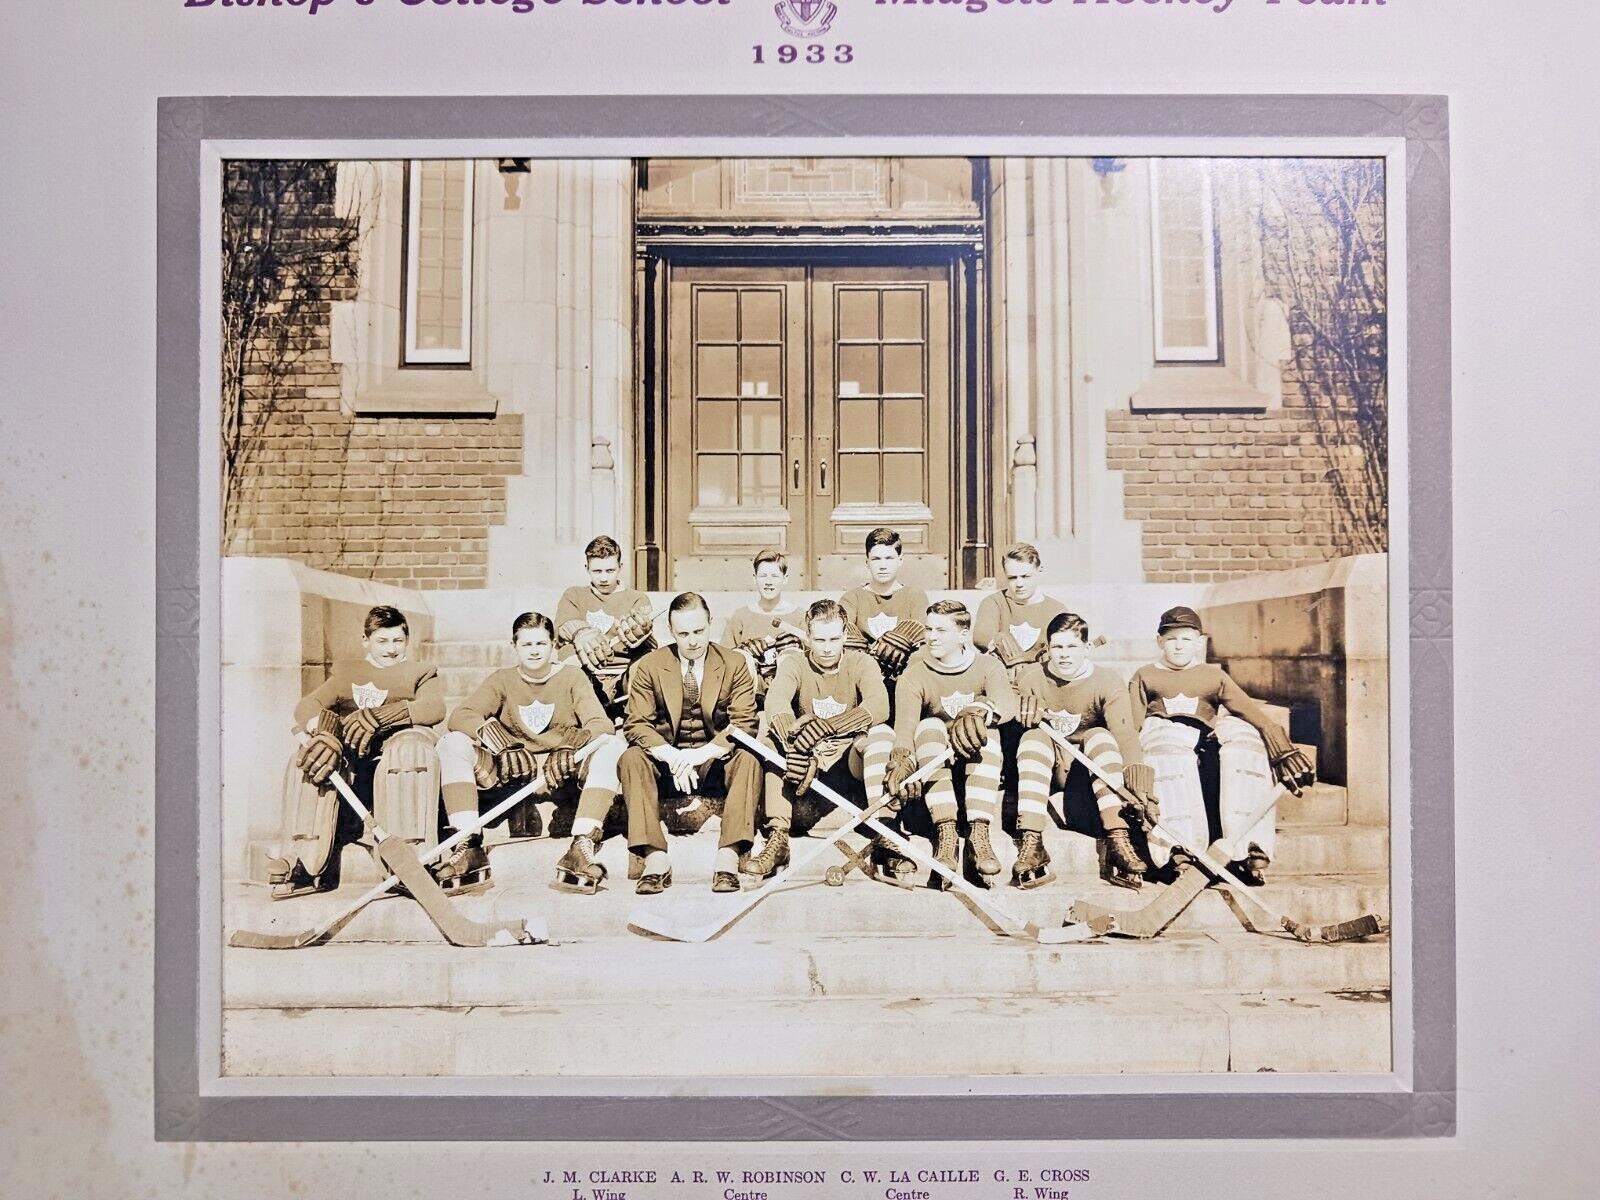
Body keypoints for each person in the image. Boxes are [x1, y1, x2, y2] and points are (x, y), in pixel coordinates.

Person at [436, 612, 626, 895]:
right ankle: (468, 844)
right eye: (527, 644)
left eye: (541, 643)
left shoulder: (572, 677)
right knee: (451, 743)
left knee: (613, 745)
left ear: (553, 645)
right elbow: (461, 715)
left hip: (560, 772)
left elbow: (601, 724)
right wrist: (500, 742)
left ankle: (581, 845)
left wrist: (570, 744)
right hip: (514, 772)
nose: (535, 651)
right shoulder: (502, 679)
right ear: (514, 646)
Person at [268, 605, 447, 899]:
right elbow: (306, 706)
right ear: (366, 641)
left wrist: (382, 716)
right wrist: (325, 733)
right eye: (382, 641)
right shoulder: (348, 672)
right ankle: (305, 859)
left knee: (409, 751)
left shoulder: (420, 672)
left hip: (397, 762)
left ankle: (411, 858)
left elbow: (434, 708)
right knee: (314, 755)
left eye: (398, 640)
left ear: (407, 640)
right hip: (354, 769)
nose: (391, 649)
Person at [1129, 606, 1316, 886]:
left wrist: (1279, 743)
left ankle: (1249, 848)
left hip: (1204, 742)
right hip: (1167, 741)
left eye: (1186, 639)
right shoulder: (1145, 675)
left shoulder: (1212, 676)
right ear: (1159, 642)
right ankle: (1177, 850)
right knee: (1167, 750)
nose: (1179, 646)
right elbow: (1131, 724)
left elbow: (1248, 710)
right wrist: (1130, 760)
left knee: (1245, 744)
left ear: (1199, 642)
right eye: (1171, 639)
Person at [619, 593, 763, 894]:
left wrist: (701, 756)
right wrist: (672, 756)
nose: (693, 641)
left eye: (699, 631)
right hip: (668, 767)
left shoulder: (734, 663)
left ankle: (728, 857)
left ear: (711, 623)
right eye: (683, 634)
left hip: (714, 765)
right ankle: (655, 858)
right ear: (670, 631)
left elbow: (745, 723)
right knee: (632, 758)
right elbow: (636, 723)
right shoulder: (650, 665)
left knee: (749, 759)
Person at [1011, 612, 1160, 890]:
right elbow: (1006, 708)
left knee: (1099, 735)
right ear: (1048, 648)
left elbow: (1125, 735)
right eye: (1057, 646)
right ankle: (1032, 841)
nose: (1064, 654)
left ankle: (1117, 838)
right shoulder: (1031, 677)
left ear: (1087, 647)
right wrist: (1016, 707)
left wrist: (1140, 785)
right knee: (1033, 736)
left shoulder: (1107, 680)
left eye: (1072, 646)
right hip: (1049, 771)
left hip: (1086, 783)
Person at [754, 598, 897, 882]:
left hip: (848, 764)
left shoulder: (861, 661)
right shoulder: (795, 662)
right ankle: (778, 836)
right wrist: (795, 745)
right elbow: (776, 702)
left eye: (834, 639)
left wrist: (828, 727)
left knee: (882, 734)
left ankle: (886, 832)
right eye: (819, 640)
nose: (828, 647)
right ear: (807, 637)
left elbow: (879, 705)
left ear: (845, 635)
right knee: (769, 739)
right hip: (808, 766)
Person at [885, 599, 1019, 888]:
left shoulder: (987, 665)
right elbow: (905, 727)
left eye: (941, 630)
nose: (931, 637)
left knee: (987, 730)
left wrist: (981, 709)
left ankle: (979, 834)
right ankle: (946, 836)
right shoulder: (915, 673)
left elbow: (1007, 703)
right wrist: (901, 759)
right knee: (929, 725)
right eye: (929, 629)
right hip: (934, 772)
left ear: (963, 634)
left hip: (976, 771)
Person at [554, 535, 657, 717]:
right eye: (597, 571)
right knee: (568, 659)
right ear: (586, 568)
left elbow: (644, 632)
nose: (603, 578)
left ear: (620, 567)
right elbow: (563, 627)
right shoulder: (574, 595)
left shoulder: (636, 598)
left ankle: (636, 720)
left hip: (623, 673)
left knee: (645, 663)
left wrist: (641, 631)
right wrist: (581, 632)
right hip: (587, 670)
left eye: (610, 571)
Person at [838, 526, 930, 686]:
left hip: (904, 678)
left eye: (889, 558)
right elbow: (842, 631)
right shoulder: (852, 597)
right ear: (867, 562)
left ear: (900, 560)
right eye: (876, 559)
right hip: (862, 678)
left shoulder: (915, 596)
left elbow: (921, 635)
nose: (882, 565)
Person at [972, 543, 1070, 676]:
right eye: (1012, 578)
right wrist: (1009, 654)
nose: (1019, 584)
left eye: (1025, 576)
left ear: (1039, 570)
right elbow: (981, 635)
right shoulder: (994, 602)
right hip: (1004, 679)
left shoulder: (1057, 609)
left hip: (1044, 680)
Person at [721, 548, 807, 690]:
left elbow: (814, 658)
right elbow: (724, 659)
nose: (768, 582)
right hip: (750, 692)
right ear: (754, 578)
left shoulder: (800, 616)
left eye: (774, 576)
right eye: (763, 576)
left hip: (790, 693)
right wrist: (743, 653)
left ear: (785, 579)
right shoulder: (740, 616)